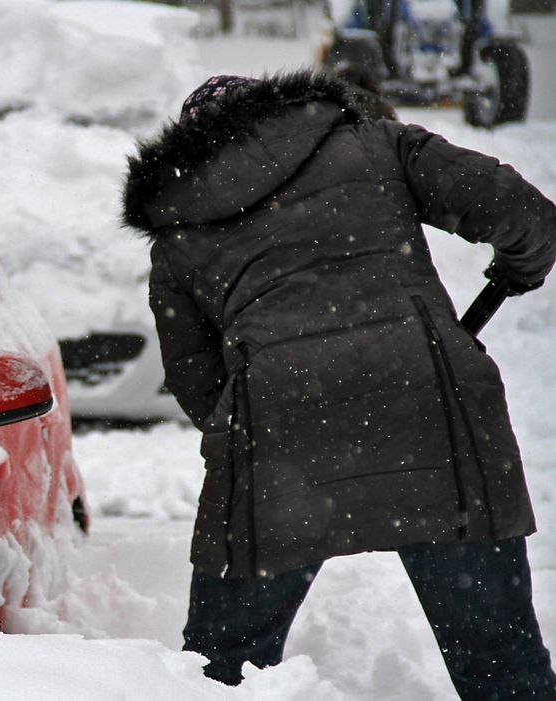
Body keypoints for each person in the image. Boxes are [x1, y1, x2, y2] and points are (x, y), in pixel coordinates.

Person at [120, 70, 556, 699]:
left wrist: (265, 411)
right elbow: (524, 215)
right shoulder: (375, 144)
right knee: (498, 658)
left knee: (221, 669)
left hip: (278, 443)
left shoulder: (178, 229)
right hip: (435, 413)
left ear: (194, 146)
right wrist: (517, 273)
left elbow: (195, 379)